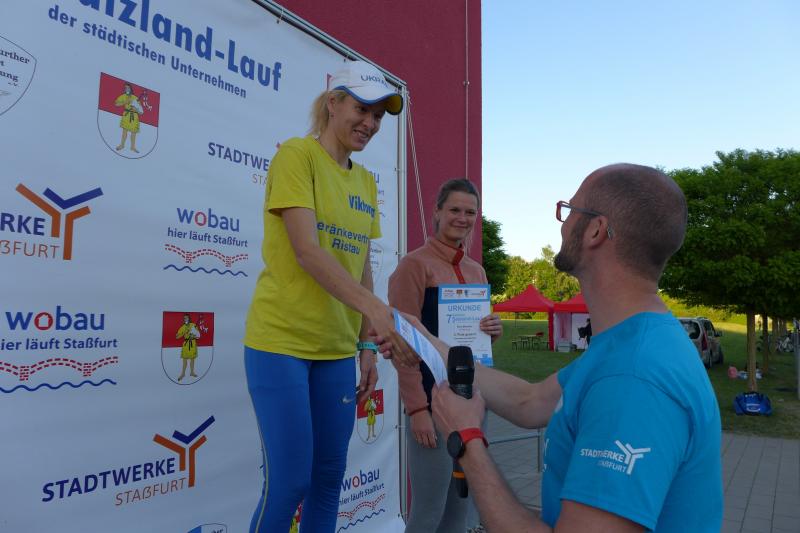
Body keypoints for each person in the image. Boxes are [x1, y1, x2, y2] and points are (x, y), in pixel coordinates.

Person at [383, 164, 723, 531]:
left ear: (595, 230)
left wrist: (467, 439)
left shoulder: (632, 379)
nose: (561, 223)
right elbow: (528, 402)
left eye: (569, 209)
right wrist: (422, 337)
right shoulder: (630, 341)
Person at [243, 60, 416, 533]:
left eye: (378, 115)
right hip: (280, 343)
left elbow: (362, 266)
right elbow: (307, 251)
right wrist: (376, 309)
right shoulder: (297, 156)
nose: (370, 123)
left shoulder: (366, 181)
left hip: (337, 350)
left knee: (327, 479)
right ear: (333, 102)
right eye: (362, 109)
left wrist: (366, 343)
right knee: (289, 483)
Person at [388, 178, 502, 532]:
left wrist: (490, 333)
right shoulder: (414, 265)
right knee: (429, 510)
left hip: (472, 403)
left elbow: (472, 348)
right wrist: (417, 410)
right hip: (433, 406)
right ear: (437, 212)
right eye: (454, 209)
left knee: (461, 508)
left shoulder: (476, 269)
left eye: (470, 212)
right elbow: (402, 345)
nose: (462, 218)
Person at [114, 82, 143, 152]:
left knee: (133, 132)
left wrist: (136, 109)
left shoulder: (135, 98)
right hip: (126, 115)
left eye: (128, 88)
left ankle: (132, 147)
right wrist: (124, 102)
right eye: (126, 88)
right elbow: (116, 104)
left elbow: (141, 111)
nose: (127, 89)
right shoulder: (123, 96)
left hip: (134, 116)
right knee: (124, 131)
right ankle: (122, 145)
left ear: (131, 89)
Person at [175, 313, 199, 381]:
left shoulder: (193, 325)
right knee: (184, 360)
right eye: (184, 318)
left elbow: (198, 335)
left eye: (187, 318)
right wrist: (183, 333)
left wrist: (193, 335)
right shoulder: (182, 327)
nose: (185, 319)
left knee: (192, 359)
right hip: (186, 344)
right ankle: (183, 374)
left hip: (192, 343)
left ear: (189, 318)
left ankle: (192, 372)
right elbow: (177, 337)